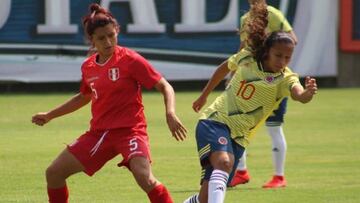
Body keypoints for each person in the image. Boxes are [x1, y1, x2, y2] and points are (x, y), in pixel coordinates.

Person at [31, 3, 187, 203]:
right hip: (99, 134)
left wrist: (170, 113)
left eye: (111, 35)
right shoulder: (88, 66)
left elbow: (165, 86)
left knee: (144, 177)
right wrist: (50, 115)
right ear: (91, 40)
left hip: (130, 131)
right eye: (101, 38)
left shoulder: (131, 59)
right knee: (53, 173)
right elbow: (84, 97)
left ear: (117, 32)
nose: (108, 42)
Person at [183, 2, 317, 203]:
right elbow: (223, 68)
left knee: (204, 198)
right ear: (267, 51)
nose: (282, 61)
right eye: (278, 55)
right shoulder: (248, 58)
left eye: (287, 58)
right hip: (215, 120)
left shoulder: (286, 78)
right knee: (223, 162)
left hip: (240, 138)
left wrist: (307, 93)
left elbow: (299, 95)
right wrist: (204, 95)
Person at [228, 0, 298, 188]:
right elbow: (243, 47)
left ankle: (279, 177)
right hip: (251, 79)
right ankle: (241, 172)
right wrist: (233, 74)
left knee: (274, 127)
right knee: (240, 125)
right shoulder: (245, 18)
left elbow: (292, 39)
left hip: (273, 80)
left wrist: (273, 54)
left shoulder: (272, 14)